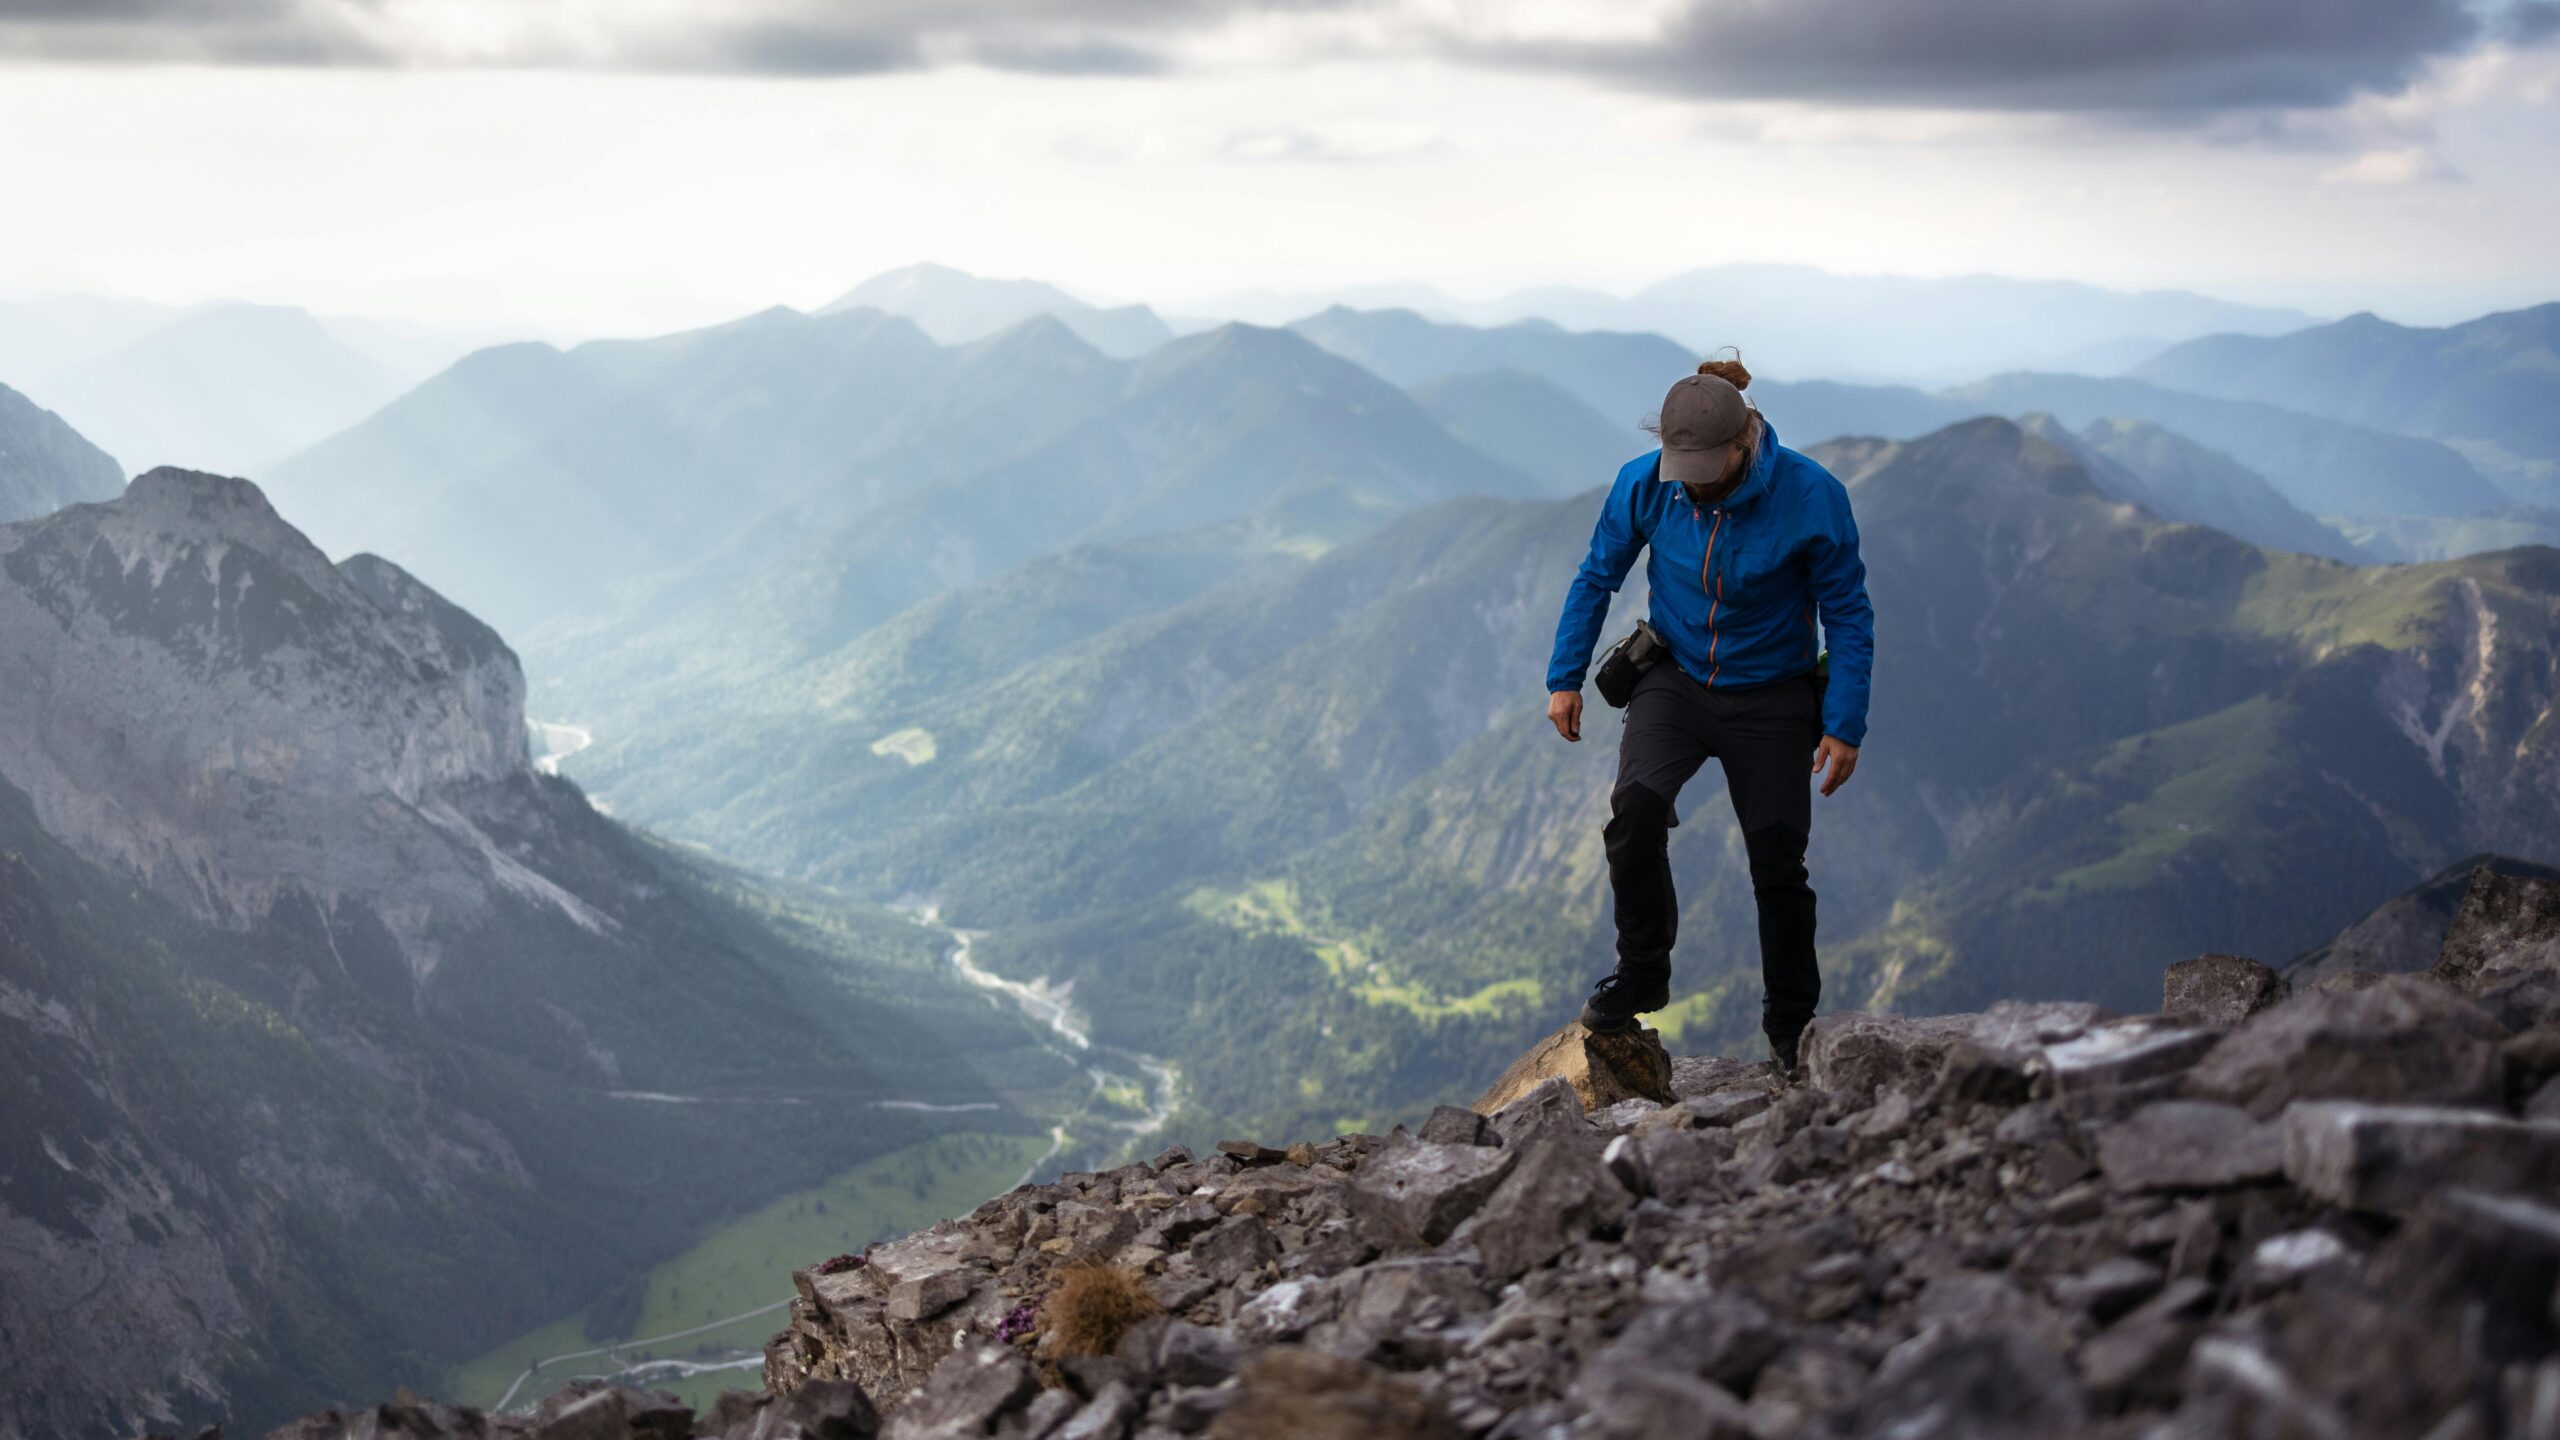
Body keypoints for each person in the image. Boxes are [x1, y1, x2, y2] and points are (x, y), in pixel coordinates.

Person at [1543, 354, 1874, 1077]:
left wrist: (1843, 720)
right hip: (1679, 677)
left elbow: (1847, 611)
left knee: (1777, 860)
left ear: (1743, 443)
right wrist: (1563, 676)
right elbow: (1598, 574)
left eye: (1700, 462)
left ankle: (1791, 1029)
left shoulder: (1811, 496)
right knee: (1634, 809)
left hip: (1775, 692)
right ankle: (1641, 974)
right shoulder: (1647, 482)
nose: (1686, 477)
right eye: (1676, 461)